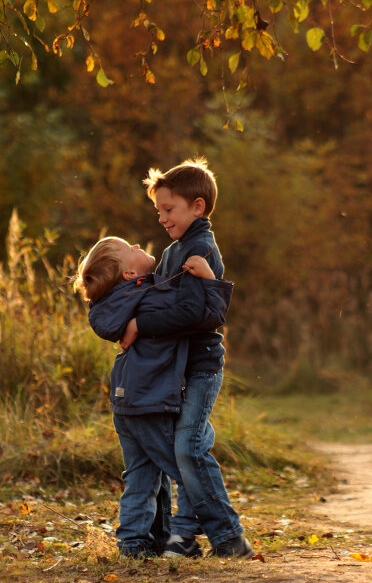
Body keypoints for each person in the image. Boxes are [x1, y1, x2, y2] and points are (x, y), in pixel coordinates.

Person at [119, 157, 253, 559]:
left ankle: (229, 538)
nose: (161, 217)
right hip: (176, 366)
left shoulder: (200, 247)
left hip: (201, 364)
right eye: (158, 210)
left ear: (197, 206)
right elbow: (163, 300)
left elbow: (195, 313)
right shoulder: (173, 250)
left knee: (188, 448)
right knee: (187, 447)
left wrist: (140, 325)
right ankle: (181, 536)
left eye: (168, 209)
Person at [74, 236, 233, 558]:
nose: (137, 246)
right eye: (130, 248)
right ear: (130, 275)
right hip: (151, 399)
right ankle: (186, 535)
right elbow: (200, 314)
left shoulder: (117, 304)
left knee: (141, 477)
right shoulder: (151, 297)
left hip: (126, 399)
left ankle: (135, 543)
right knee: (187, 468)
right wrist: (210, 281)